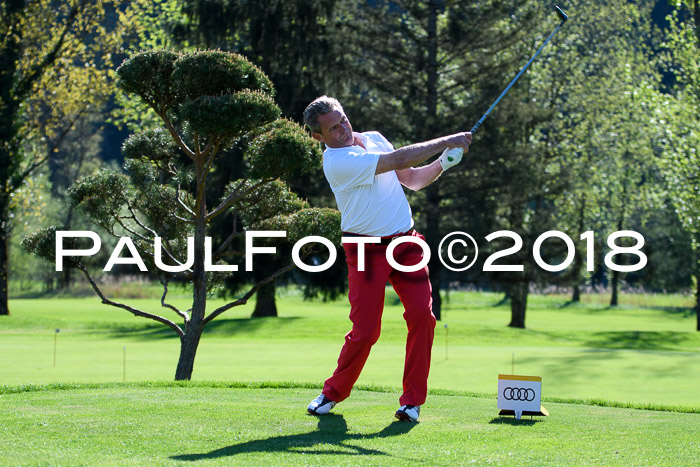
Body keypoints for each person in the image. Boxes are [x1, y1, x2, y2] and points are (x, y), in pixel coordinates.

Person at [303, 96, 472, 422]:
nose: (343, 129)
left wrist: (443, 163)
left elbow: (413, 179)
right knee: (366, 331)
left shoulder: (375, 139)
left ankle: (412, 402)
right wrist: (448, 140)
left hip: (406, 242)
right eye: (333, 128)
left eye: (343, 120)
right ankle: (332, 392)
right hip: (365, 250)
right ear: (317, 136)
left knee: (423, 316)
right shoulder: (338, 161)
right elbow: (399, 159)